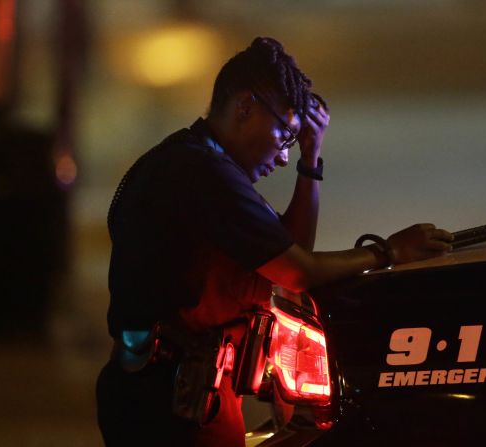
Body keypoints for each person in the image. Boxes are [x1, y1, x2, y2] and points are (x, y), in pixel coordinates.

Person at [96, 36, 454, 447]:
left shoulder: (196, 162)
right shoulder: (203, 175)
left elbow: (286, 249)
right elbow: (299, 271)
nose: (284, 156)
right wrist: (388, 251)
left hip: (165, 396)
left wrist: (310, 159)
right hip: (171, 411)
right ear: (245, 107)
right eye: (284, 135)